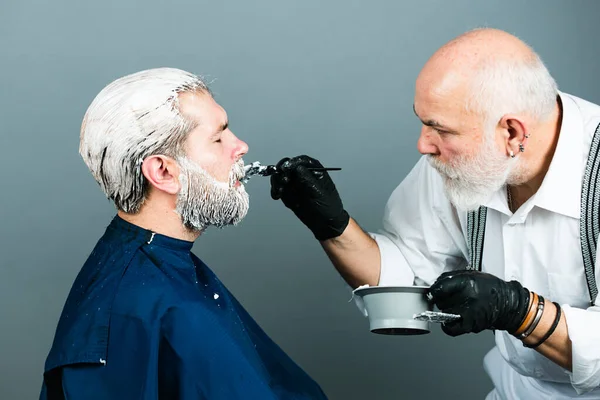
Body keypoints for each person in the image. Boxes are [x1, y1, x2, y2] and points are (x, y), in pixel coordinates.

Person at [270, 28, 600, 399]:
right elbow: (407, 279)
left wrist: (519, 310)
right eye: (423, 121)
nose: (423, 144)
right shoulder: (460, 161)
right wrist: (330, 224)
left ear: (511, 132)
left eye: (439, 129)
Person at [40, 67, 327, 400]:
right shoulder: (127, 311)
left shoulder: (163, 263)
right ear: (163, 172)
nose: (241, 146)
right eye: (218, 138)